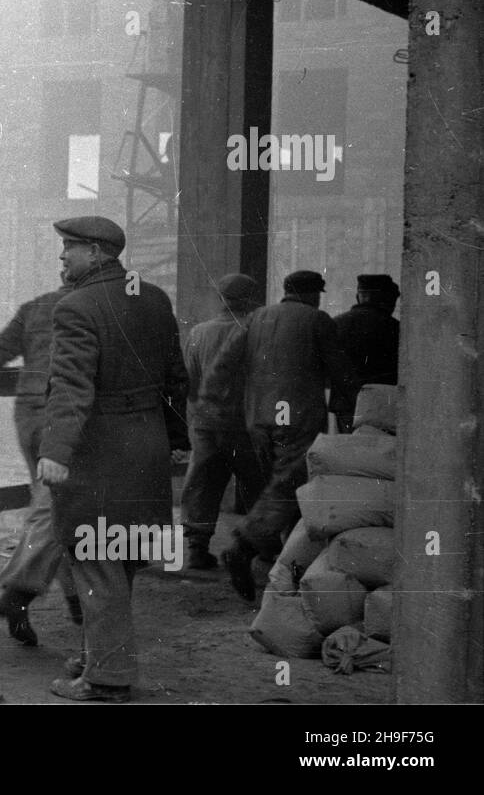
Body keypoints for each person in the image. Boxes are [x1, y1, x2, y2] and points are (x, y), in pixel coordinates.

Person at [36, 217, 187, 703]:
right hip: (146, 447)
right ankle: (95, 657)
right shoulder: (154, 297)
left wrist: (55, 452)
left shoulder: (76, 306)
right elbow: (175, 377)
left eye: (70, 249)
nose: (62, 258)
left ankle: (106, 680)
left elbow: (71, 387)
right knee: (119, 559)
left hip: (99, 451)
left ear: (97, 253)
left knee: (94, 557)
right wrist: (178, 436)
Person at [205, 270, 354, 601]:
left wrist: (216, 409)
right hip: (297, 417)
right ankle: (244, 546)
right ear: (314, 294)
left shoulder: (257, 317)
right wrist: (353, 407)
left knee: (278, 483)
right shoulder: (318, 320)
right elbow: (340, 371)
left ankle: (286, 559)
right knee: (289, 486)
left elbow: (222, 365)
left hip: (258, 417)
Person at [0, 277, 81, 646]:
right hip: (66, 414)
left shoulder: (34, 306)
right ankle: (18, 593)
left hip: (28, 412)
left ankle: (76, 602)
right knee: (55, 506)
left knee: (56, 504)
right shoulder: (95, 307)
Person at [179, 273, 267, 570]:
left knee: (202, 483)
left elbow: (188, 382)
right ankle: (260, 549)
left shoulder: (199, 333)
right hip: (244, 423)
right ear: (252, 299)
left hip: (205, 423)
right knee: (257, 484)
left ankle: (196, 548)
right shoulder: (256, 332)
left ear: (221, 299)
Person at [330, 273, 400, 431]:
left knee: (345, 450)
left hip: (345, 405)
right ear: (386, 299)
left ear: (358, 297)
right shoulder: (395, 328)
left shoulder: (335, 324)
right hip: (382, 404)